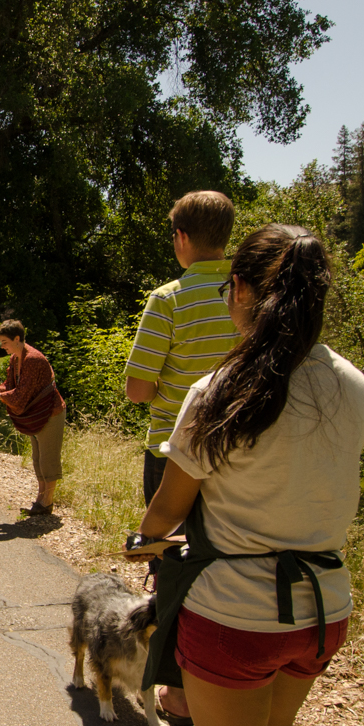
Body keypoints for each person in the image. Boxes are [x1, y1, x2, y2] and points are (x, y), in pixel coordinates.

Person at [130, 225, 364, 726]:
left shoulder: (221, 391)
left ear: (241, 292)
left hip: (235, 614)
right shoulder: (352, 384)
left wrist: (141, 545)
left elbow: (167, 511)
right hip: (322, 607)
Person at [124, 190, 239, 507]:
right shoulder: (249, 294)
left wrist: (162, 387)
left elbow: (137, 391)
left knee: (168, 549)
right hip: (235, 449)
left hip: (172, 448)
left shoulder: (167, 299)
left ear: (181, 237)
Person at [0, 320, 65, 516]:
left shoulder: (33, 359)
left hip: (50, 413)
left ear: (17, 339)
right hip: (36, 414)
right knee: (37, 458)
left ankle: (47, 502)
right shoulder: (15, 358)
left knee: (48, 459)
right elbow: (8, 385)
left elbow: (20, 395)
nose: (2, 346)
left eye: (4, 341)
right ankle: (41, 498)